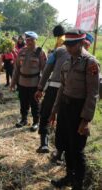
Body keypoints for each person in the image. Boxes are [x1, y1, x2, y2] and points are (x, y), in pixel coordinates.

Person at [50, 29, 100, 190]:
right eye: (67, 45)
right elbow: (62, 88)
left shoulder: (90, 63)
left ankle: (78, 183)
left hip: (79, 111)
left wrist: (85, 120)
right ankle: (69, 176)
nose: (68, 48)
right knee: (64, 144)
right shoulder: (67, 61)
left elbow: (93, 94)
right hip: (65, 108)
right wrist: (54, 111)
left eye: (71, 45)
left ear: (80, 43)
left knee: (77, 149)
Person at [34, 25, 68, 154]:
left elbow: (48, 68)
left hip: (55, 86)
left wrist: (40, 88)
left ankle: (44, 144)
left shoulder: (59, 50)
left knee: (45, 113)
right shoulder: (85, 54)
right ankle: (60, 152)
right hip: (70, 91)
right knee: (64, 119)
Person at [10, 31, 46, 131]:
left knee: (35, 104)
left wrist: (42, 86)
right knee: (23, 102)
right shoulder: (21, 51)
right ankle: (23, 119)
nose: (29, 42)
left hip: (34, 83)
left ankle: (35, 122)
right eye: (27, 40)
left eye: (31, 40)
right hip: (22, 83)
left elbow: (45, 70)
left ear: (35, 40)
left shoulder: (40, 52)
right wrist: (13, 83)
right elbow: (16, 69)